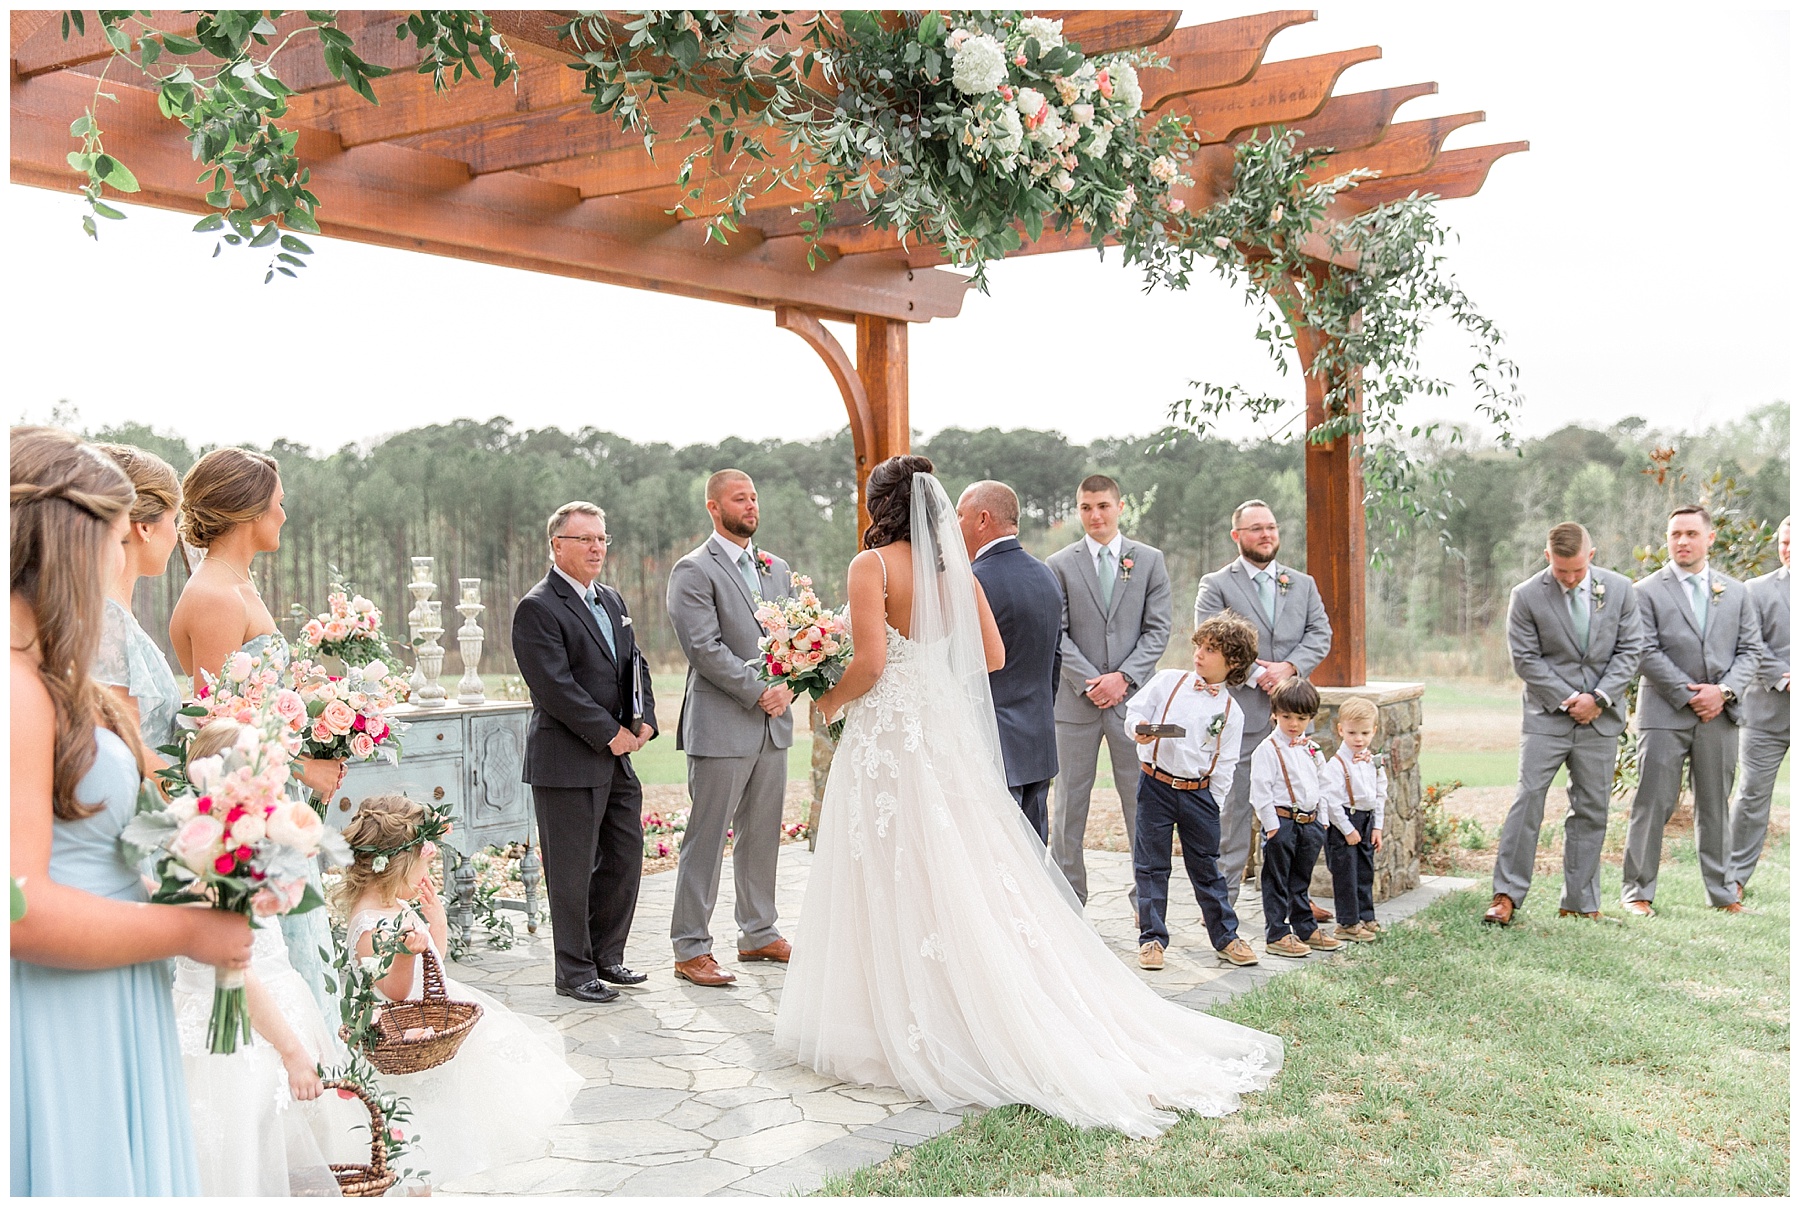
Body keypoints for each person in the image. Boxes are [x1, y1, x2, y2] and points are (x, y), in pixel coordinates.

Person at [777, 456, 1282, 1140]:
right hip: (938, 734)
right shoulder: (955, 570)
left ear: (877, 505)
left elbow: (867, 663)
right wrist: (924, 664)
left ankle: (888, 1020)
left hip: (888, 741)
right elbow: (988, 654)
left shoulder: (871, 568)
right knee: (957, 868)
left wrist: (826, 702)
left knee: (891, 869)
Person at [11, 426, 253, 1196]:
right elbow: (16, 905)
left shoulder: (45, 670)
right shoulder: (17, 690)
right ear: (75, 540)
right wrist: (192, 927)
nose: (124, 562)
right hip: (63, 1010)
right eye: (119, 539)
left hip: (112, 985)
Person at [171, 445, 341, 1015]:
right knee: (281, 952)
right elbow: (221, 733)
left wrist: (325, 703)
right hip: (250, 804)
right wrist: (305, 767)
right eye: (278, 505)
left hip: (274, 792)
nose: (284, 517)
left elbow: (260, 701)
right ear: (247, 513)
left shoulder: (238, 585)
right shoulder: (215, 597)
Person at [337, 795, 582, 1187]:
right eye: (423, 865)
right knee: (414, 1150)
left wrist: (435, 923)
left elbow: (432, 959)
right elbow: (397, 992)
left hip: (431, 1038)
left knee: (440, 1144)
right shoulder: (369, 926)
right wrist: (403, 950)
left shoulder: (394, 904)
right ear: (395, 865)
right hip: (403, 1055)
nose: (425, 876)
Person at [169, 721, 342, 1197]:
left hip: (272, 1011)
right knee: (240, 1158)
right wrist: (291, 1052)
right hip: (237, 1035)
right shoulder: (216, 861)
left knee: (278, 1156)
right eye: (268, 775)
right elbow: (234, 972)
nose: (278, 786)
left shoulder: (230, 845)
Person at [512, 501, 658, 1003]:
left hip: (617, 756)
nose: (597, 547)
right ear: (557, 545)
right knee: (571, 873)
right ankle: (573, 972)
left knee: (624, 854)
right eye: (585, 539)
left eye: (602, 538)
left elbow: (633, 664)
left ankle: (606, 957)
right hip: (567, 761)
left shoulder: (612, 600)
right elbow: (555, 688)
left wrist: (645, 720)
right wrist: (609, 732)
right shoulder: (538, 607)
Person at [665, 470, 794, 987]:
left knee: (762, 836)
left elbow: (796, 638)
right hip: (721, 725)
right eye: (739, 498)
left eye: (755, 497)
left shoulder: (777, 568)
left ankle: (758, 931)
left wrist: (791, 685)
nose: (751, 506)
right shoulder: (693, 570)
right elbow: (703, 646)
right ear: (714, 508)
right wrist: (757, 688)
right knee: (706, 837)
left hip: (774, 724)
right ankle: (690, 947)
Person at [1485, 521, 1645, 926]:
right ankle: (1506, 895)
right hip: (1546, 717)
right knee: (1528, 800)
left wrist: (1600, 698)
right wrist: (1569, 699)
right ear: (1547, 558)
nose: (1570, 579)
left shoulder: (1621, 589)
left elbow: (1630, 650)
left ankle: (1579, 900)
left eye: (1577, 571)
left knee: (1592, 808)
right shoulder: (1524, 596)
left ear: (1590, 556)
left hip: (1601, 719)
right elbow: (1525, 659)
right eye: (1561, 572)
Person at [1623, 505, 1765, 915]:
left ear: (1709, 539)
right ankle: (1638, 893)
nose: (1682, 541)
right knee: (1653, 805)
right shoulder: (1645, 590)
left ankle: (1722, 894)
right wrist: (1689, 695)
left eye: (1690, 534)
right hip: (1664, 714)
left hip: (1720, 715)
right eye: (1674, 535)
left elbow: (1751, 650)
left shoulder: (1736, 592)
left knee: (1716, 805)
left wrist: (1722, 692)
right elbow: (1644, 649)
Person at [1195, 499, 1333, 910]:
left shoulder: (1302, 583)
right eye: (1255, 528)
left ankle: (1295, 899)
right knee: (1234, 812)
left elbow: (1319, 633)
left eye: (1270, 527)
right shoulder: (1216, 583)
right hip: (1239, 713)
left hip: (1291, 720)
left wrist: (1289, 668)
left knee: (1295, 811)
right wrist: (1260, 674)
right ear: (1237, 536)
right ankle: (1224, 901)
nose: (1266, 534)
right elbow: (1210, 636)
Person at [1046, 473, 1172, 906]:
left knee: (1142, 805)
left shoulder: (1150, 560)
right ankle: (1068, 901)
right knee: (1067, 808)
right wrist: (1090, 682)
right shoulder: (1059, 564)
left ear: (1120, 507)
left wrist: (1123, 679)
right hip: (1074, 705)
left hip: (1133, 705)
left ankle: (1147, 903)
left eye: (1102, 505)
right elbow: (1056, 634)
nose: (1094, 515)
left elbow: (1158, 630)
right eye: (1085, 507)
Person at [1125, 611, 1260, 972]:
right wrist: (1138, 728)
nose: (1199, 653)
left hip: (1199, 794)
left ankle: (1225, 936)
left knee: (1207, 868)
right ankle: (1152, 938)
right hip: (1155, 784)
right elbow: (1135, 711)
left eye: (1211, 649)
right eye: (1199, 645)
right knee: (1151, 865)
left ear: (1233, 662)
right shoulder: (1168, 681)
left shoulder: (1231, 711)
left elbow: (1227, 764)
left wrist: (1211, 802)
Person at [958, 479, 1064, 841]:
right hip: (1038, 742)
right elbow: (1054, 663)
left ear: (983, 519)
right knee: (1032, 863)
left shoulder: (973, 582)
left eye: (960, 515)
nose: (954, 524)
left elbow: (961, 668)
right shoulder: (1047, 576)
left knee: (995, 861)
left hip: (991, 746)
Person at [93, 442, 185, 753]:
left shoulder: (116, 615)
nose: (177, 534)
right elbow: (128, 752)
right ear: (145, 527)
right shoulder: (107, 620)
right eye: (174, 521)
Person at [1247, 678, 1343, 959]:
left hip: (1310, 823)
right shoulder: (1267, 750)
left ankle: (1304, 927)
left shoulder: (1311, 749)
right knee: (1276, 880)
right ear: (1274, 713)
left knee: (1300, 879)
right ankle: (1277, 932)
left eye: (1301, 718)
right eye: (1287, 716)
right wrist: (1272, 826)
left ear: (1310, 718)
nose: (1293, 724)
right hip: (1282, 822)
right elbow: (1260, 791)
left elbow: (1323, 785)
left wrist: (1321, 820)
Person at [1727, 515, 1790, 902]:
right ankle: (1732, 879)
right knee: (1751, 797)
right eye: (1784, 542)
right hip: (1765, 713)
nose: (1787, 550)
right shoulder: (1756, 589)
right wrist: (1786, 676)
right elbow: (1749, 645)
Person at [1320, 697, 1387, 942]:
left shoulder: (1375, 762)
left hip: (1366, 821)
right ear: (1340, 730)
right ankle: (1347, 923)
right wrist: (1347, 829)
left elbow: (1380, 795)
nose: (1358, 739)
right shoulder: (1335, 766)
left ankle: (1366, 916)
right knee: (1346, 873)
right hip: (1343, 824)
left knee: (1364, 871)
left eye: (1365, 733)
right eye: (1352, 732)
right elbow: (1331, 801)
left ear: (1374, 731)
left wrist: (1377, 826)